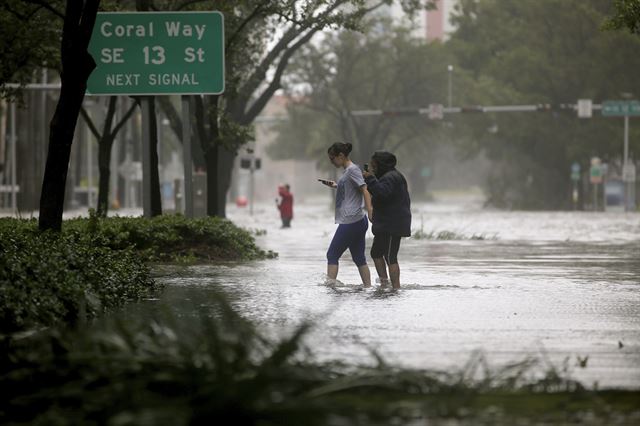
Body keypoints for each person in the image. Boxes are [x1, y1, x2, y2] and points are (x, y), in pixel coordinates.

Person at [320, 142, 373, 287]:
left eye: (333, 159)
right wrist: (336, 185)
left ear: (341, 156)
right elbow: (352, 189)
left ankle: (330, 288)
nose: (331, 162)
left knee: (332, 255)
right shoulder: (348, 171)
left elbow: (365, 190)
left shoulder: (352, 170)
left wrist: (370, 210)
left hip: (351, 220)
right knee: (359, 258)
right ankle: (368, 287)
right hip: (357, 220)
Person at [362, 151, 411, 289]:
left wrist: (370, 179)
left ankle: (396, 288)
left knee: (390, 256)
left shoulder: (390, 177)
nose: (372, 168)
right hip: (386, 224)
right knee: (376, 253)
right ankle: (384, 284)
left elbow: (382, 193)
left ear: (380, 165)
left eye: (374, 165)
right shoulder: (390, 176)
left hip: (392, 224)